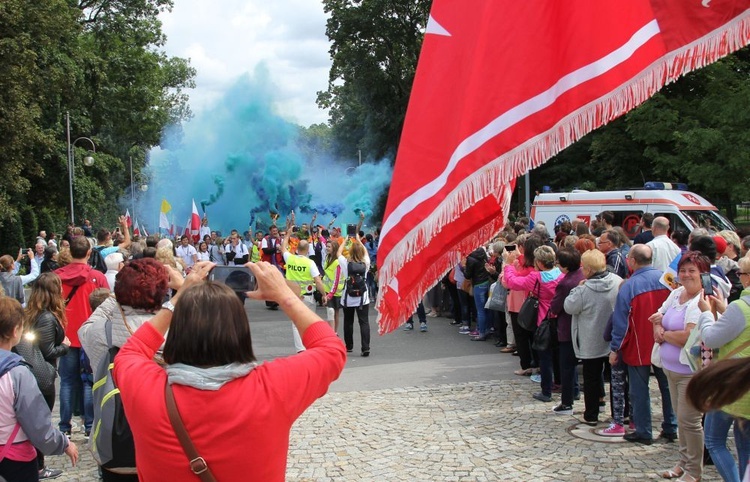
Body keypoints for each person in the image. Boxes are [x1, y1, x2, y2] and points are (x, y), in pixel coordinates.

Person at [112, 261, 345, 481]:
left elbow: (133, 349)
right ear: (240, 330)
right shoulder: (272, 387)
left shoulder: (143, 387)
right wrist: (284, 295)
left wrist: (178, 299)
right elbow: (331, 348)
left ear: (176, 331)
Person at [79, 258, 170, 481]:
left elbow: (89, 323)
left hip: (114, 451)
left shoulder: (100, 332)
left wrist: (119, 293)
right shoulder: (178, 332)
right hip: (163, 444)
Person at [651, 251, 713, 482]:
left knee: (690, 422)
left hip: (690, 372)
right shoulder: (677, 293)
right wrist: (660, 328)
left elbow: (688, 336)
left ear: (702, 274)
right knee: (681, 420)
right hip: (671, 368)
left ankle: (694, 471)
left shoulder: (701, 302)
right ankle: (683, 462)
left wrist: (663, 333)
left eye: (692, 271)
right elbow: (658, 315)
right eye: (683, 271)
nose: (686, 275)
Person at [0, 296, 78, 481]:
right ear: (15, 330)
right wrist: (63, 443)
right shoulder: (18, 374)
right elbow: (38, 425)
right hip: (13, 457)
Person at [610, 244, 677, 446]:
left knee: (639, 391)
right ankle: (671, 426)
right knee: (666, 388)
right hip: (665, 342)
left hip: (638, 346)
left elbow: (620, 323)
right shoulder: (667, 281)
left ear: (632, 261)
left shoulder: (629, 286)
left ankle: (643, 429)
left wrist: (615, 348)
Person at [692, 255, 750, 482]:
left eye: (741, 274)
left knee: (714, 440)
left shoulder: (741, 307)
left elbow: (712, 338)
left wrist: (706, 313)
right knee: (745, 446)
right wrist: (725, 311)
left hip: (731, 384)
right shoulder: (737, 309)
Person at [54, 235, 109, 437]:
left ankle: (64, 427)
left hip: (65, 337)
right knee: (88, 382)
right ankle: (89, 427)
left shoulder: (56, 277)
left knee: (67, 382)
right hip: (90, 336)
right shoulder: (97, 277)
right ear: (88, 253)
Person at [564, 249, 622, 425]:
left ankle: (592, 414)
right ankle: (620, 412)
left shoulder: (583, 290)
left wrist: (577, 289)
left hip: (591, 339)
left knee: (591, 378)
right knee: (616, 378)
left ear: (588, 269)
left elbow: (569, 307)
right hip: (612, 338)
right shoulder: (617, 282)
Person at [23, 272, 71, 480]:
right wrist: (65, 346)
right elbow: (47, 351)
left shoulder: (33, 313)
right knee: (40, 422)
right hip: (42, 376)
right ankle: (39, 466)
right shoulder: (46, 317)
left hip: (34, 374)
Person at [504, 245, 562, 402]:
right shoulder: (561, 275)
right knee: (559, 356)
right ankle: (561, 384)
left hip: (543, 318)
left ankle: (546, 391)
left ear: (540, 262)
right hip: (560, 317)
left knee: (545, 357)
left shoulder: (536, 277)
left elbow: (513, 282)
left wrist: (509, 265)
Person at [548, 248, 585, 416]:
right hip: (585, 326)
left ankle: (567, 402)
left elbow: (556, 306)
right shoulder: (583, 274)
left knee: (567, 367)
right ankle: (596, 399)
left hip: (568, 327)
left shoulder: (566, 283)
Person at [281, 220, 326, 353]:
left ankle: (300, 349)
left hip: (293, 296)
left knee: (296, 323)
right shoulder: (310, 263)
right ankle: (310, 345)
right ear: (307, 250)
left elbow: (283, 247)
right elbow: (318, 281)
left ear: (296, 249)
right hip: (307, 297)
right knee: (310, 321)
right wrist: (323, 294)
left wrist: (288, 234)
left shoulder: (289, 258)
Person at [338, 239, 372, 356]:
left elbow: (338, 253)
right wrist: (359, 240)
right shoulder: (365, 263)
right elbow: (366, 253)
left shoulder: (346, 264)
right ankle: (365, 347)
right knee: (364, 322)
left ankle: (349, 345)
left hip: (348, 297)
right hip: (363, 298)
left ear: (350, 252)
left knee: (348, 321)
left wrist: (345, 240)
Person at [322, 239, 345, 332]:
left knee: (335, 312)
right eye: (326, 246)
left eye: (329, 247)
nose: (326, 248)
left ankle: (334, 332)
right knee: (330, 312)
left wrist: (330, 294)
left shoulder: (338, 262)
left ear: (334, 248)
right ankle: (332, 331)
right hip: (328, 289)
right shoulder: (327, 257)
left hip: (336, 292)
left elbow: (337, 279)